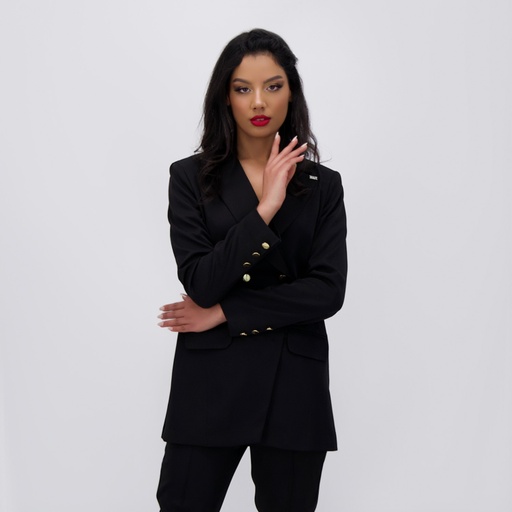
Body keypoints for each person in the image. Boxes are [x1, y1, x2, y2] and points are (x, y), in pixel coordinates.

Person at [156, 28, 347, 512]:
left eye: (273, 86)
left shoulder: (324, 186)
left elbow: (327, 292)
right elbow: (200, 281)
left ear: (291, 92)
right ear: (226, 97)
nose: (258, 101)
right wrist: (265, 209)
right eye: (243, 88)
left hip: (293, 383)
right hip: (210, 381)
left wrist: (225, 312)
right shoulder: (189, 178)